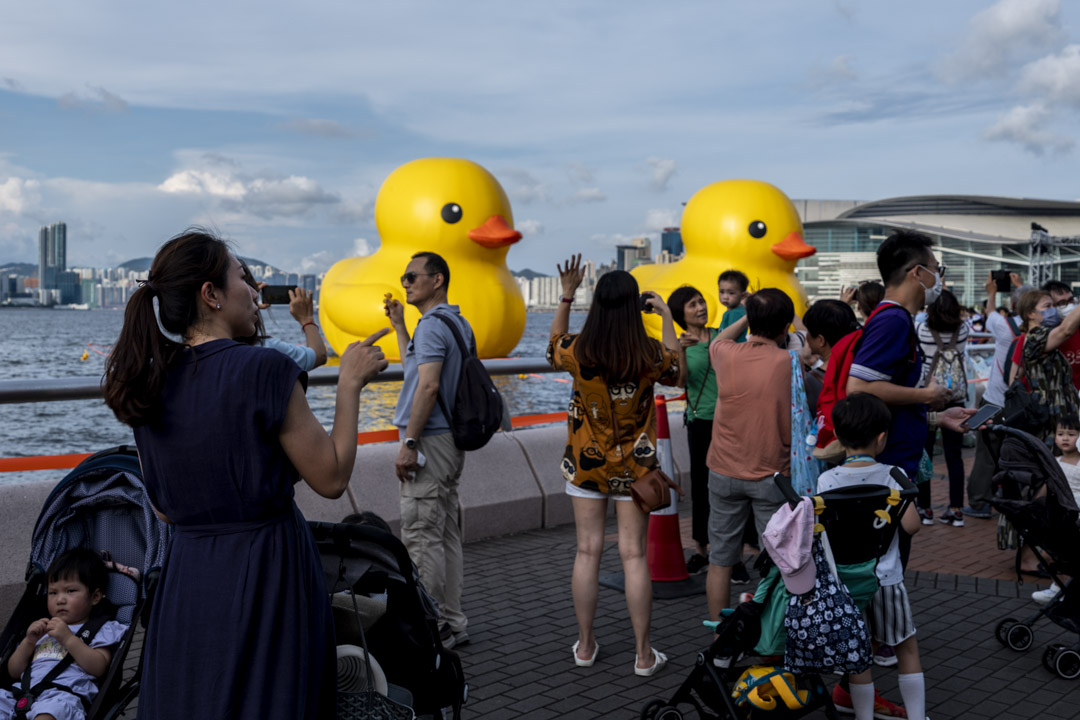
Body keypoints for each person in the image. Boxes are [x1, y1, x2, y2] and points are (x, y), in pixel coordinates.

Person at [103, 229, 388, 720]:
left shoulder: (148, 383)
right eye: (243, 279)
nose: (255, 293)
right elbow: (332, 478)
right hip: (268, 569)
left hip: (188, 576)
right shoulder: (264, 369)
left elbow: (164, 510)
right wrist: (350, 384)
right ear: (210, 295)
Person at [548, 255, 680, 676]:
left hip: (587, 466)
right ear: (632, 308)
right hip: (636, 470)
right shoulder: (648, 353)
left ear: (599, 305)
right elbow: (678, 371)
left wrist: (567, 294)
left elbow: (552, 344)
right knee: (633, 556)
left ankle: (585, 646)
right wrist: (667, 317)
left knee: (587, 551)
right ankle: (643, 655)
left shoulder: (578, 351)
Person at [384, 250, 473, 650]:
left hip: (430, 442)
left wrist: (409, 443)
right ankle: (454, 622)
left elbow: (429, 386)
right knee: (447, 534)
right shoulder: (454, 323)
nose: (406, 282)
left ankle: (431, 626)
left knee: (422, 536)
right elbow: (416, 367)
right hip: (450, 441)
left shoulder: (434, 328)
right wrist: (401, 325)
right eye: (403, 277)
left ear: (437, 280)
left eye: (412, 276)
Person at [819, 394, 925, 720]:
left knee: (857, 655)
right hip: (886, 579)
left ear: (837, 436)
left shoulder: (827, 480)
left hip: (846, 583)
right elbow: (912, 526)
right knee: (905, 646)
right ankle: (918, 716)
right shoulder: (893, 475)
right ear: (882, 438)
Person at [706, 288, 798, 618]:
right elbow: (804, 344)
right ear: (785, 325)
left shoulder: (725, 354)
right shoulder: (788, 362)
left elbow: (718, 337)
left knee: (720, 559)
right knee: (777, 561)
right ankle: (769, 637)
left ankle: (719, 637)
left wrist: (748, 314)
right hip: (770, 474)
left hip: (723, 470)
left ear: (750, 321)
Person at [668, 286, 750, 575]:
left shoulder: (723, 332)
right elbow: (679, 382)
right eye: (693, 304)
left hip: (733, 420)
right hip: (701, 421)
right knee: (702, 487)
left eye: (702, 301)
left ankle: (736, 556)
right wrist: (679, 348)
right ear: (681, 314)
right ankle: (701, 550)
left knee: (735, 488)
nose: (701, 307)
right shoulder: (683, 344)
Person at [1, 549, 127, 720]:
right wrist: (28, 642)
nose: (60, 599)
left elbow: (99, 667)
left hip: (62, 696)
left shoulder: (100, 629)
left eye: (70, 591)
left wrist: (68, 639)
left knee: (49, 713)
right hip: (22, 694)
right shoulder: (42, 630)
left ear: (95, 597)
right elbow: (13, 672)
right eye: (53, 593)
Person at [916, 289, 970, 527]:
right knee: (954, 457)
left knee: (924, 455)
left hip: (928, 397)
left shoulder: (922, 330)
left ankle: (925, 509)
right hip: (955, 397)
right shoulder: (964, 330)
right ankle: (956, 510)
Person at [1006, 288, 1080, 438]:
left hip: (1059, 415)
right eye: (1047, 306)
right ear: (1030, 313)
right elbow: (1065, 331)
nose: (1053, 310)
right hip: (1051, 421)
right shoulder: (1035, 338)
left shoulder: (1037, 336)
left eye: (1053, 306)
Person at [238, 259, 327, 371]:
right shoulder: (268, 349)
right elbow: (319, 355)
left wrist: (246, 305)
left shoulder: (212, 347)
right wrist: (307, 319)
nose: (255, 295)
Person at [1031, 417, 1080, 606]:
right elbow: (1047, 487)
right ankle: (1058, 588)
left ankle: (1063, 589)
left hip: (1077, 512)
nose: (1065, 438)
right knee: (1060, 553)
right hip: (1062, 514)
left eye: (1072, 434)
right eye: (1060, 434)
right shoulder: (1054, 462)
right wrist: (1035, 505)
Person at [1041, 280, 1080, 389]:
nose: (1070, 306)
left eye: (1071, 300)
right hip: (1056, 400)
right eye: (1062, 303)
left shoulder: (1078, 328)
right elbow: (1065, 331)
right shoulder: (1042, 335)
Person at [717, 270, 750, 342]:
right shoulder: (736, 310)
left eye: (731, 293)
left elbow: (729, 337)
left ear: (743, 295)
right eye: (721, 292)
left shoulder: (735, 313)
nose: (725, 297)